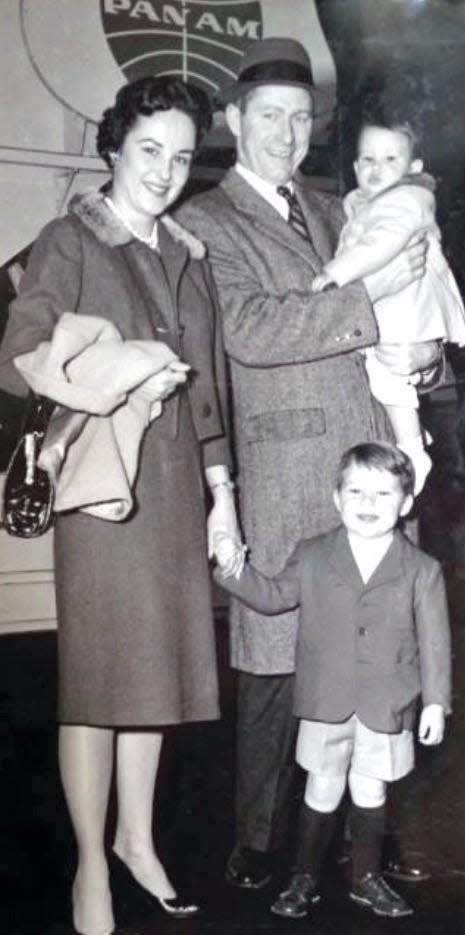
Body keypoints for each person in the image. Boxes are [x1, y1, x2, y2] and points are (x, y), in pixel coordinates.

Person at [177, 37, 442, 889]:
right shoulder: (206, 222)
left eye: (300, 117)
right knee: (275, 655)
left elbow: (409, 306)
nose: (287, 134)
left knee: (381, 648)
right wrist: (365, 299)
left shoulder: (343, 205)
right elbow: (250, 332)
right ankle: (259, 833)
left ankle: (372, 815)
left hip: (370, 459)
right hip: (286, 469)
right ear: (232, 122)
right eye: (268, 117)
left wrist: (426, 360)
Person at [0, 77, 243, 935]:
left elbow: (209, 390)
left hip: (177, 487)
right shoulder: (70, 238)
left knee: (159, 675)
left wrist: (223, 501)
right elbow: (19, 354)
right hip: (104, 489)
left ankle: (138, 841)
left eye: (181, 157)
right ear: (113, 148)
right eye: (150, 150)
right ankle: (89, 865)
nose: (165, 171)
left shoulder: (188, 252)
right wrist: (122, 359)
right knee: (98, 686)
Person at [214, 441, 451, 920]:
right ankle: (304, 878)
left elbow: (436, 643)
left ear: (406, 504)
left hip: (388, 704)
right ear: (336, 498)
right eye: (356, 491)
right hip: (326, 701)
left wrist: (434, 703)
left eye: (383, 494)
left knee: (370, 791)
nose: (368, 504)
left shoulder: (422, 571)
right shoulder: (314, 555)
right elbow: (274, 596)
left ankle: (366, 877)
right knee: (321, 788)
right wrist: (232, 568)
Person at [312, 114, 465, 494]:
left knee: (390, 378)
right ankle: (413, 447)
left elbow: (377, 244)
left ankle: (413, 449)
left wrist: (334, 273)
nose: (377, 169)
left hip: (401, 308)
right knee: (388, 379)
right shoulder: (359, 204)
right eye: (368, 160)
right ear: (354, 166)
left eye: (390, 160)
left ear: (414, 168)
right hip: (385, 317)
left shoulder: (406, 200)